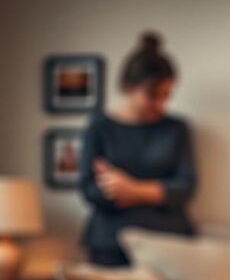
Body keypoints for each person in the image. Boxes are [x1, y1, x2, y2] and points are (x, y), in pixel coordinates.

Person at [79, 32, 197, 266]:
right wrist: (157, 191)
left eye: (166, 96)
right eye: (153, 95)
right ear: (128, 86)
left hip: (169, 242)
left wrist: (132, 189)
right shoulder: (100, 126)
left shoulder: (176, 128)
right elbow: (89, 188)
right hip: (110, 244)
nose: (160, 104)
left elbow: (185, 186)